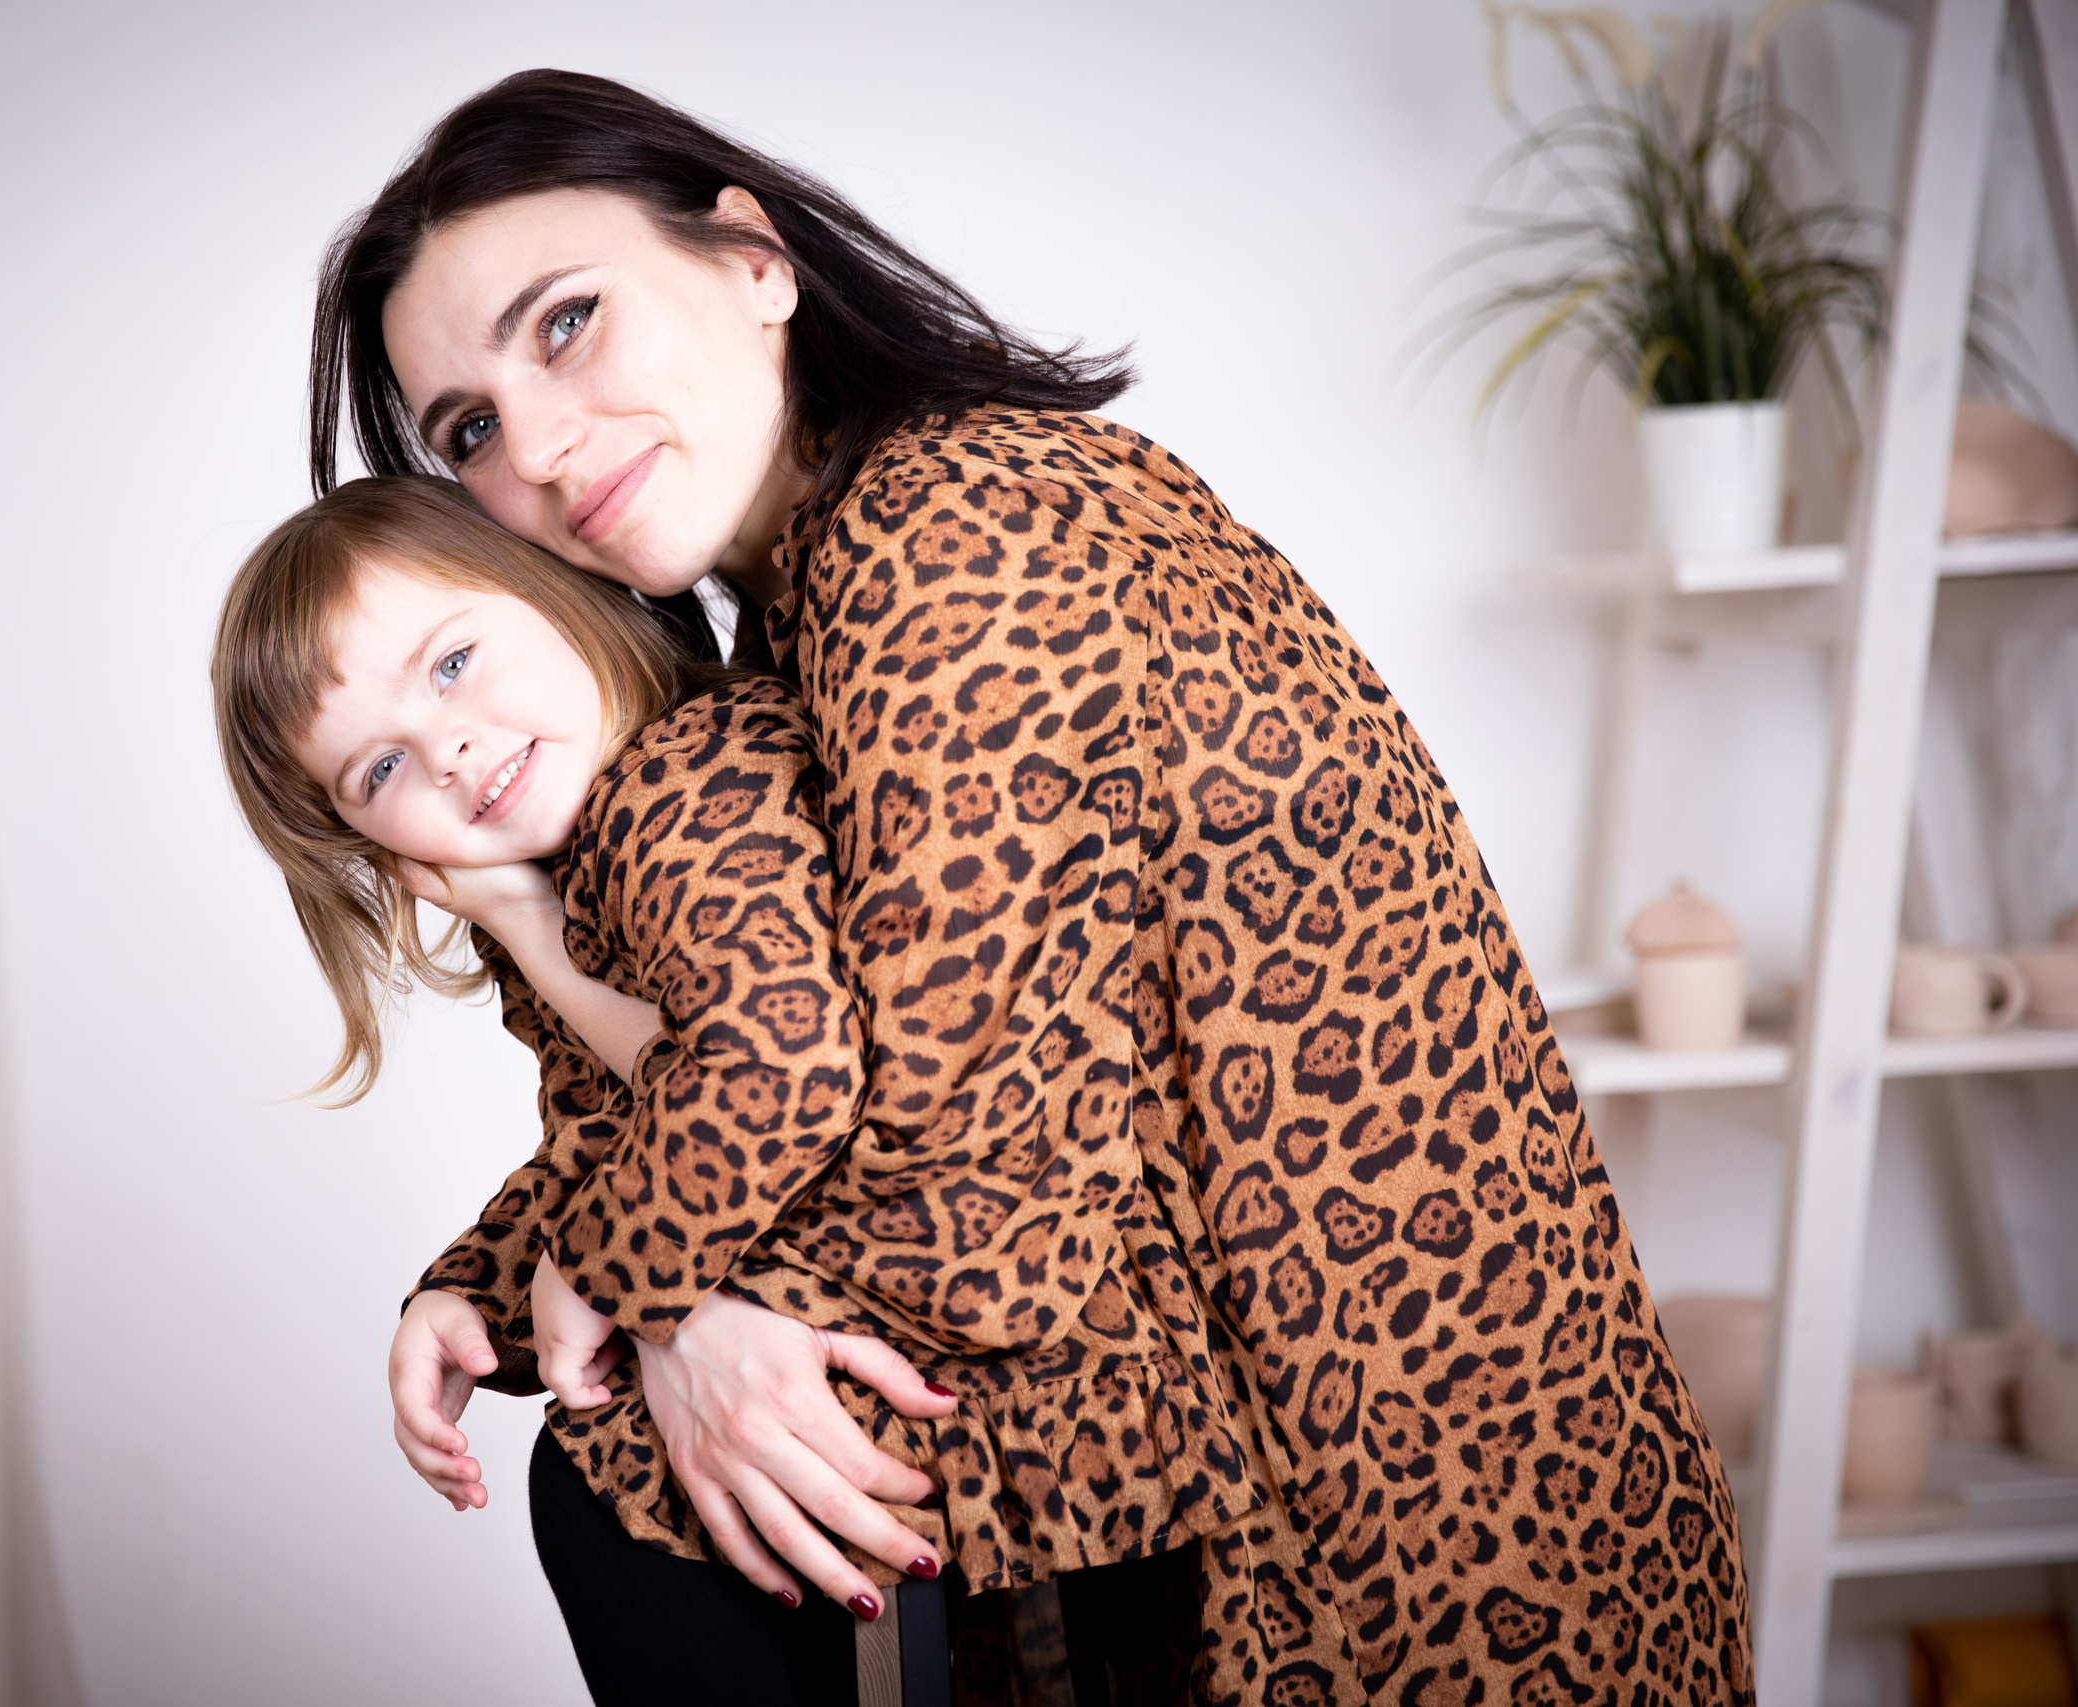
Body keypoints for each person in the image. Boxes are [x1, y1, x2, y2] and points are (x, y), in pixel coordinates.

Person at [310, 69, 1755, 1705]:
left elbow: (977, 1206)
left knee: (615, 1490)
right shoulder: (816, 604)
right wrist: (525, 1272)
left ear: (752, 259)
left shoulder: (944, 531)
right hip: (1242, 1517)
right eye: (474, 429)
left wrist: (634, 1292)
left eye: (566, 323)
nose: (545, 446)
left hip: (1418, 1565)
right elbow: (802, 1065)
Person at [213, 475, 1208, 1704]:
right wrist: (474, 1287)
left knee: (604, 1490)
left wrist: (592, 1276)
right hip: (939, 1387)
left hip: (1002, 1353)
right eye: (378, 770)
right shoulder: (593, 859)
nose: (449, 748)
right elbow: (627, 1133)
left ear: (556, 592)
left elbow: (776, 1071)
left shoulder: (687, 793)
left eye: (454, 663)